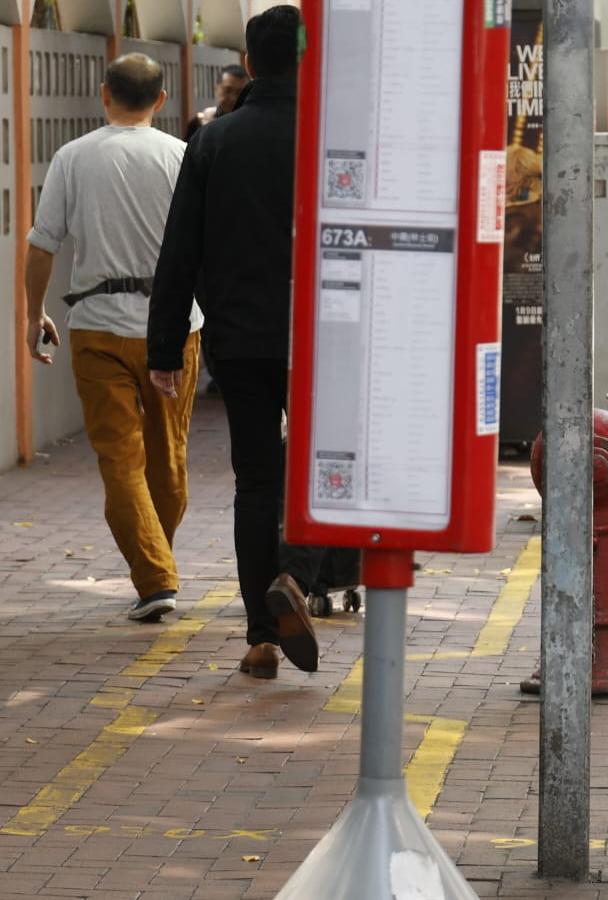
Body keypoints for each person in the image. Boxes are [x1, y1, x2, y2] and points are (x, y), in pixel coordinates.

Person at [147, 5, 321, 680]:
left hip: (240, 336)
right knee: (316, 471)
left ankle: (260, 635)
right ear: (308, 59)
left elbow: (179, 252)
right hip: (320, 339)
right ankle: (296, 579)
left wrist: (164, 348)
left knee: (256, 479)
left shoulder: (215, 141)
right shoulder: (332, 137)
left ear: (249, 62)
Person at [23, 54, 200, 623]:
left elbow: (42, 244)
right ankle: (157, 573)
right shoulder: (182, 156)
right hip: (175, 328)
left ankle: (155, 576)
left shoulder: (74, 157)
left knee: (121, 461)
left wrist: (33, 314)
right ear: (162, 100)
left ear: (104, 95)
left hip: (97, 326)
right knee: (168, 458)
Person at [185, 64, 248, 140]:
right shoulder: (200, 123)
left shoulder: (253, 124)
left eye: (240, 92)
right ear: (216, 89)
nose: (233, 98)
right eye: (228, 91)